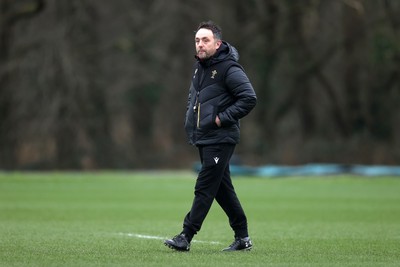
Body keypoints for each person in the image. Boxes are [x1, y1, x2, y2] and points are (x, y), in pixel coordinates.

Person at [164, 21, 257, 252]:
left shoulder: (229, 68)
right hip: (205, 137)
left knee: (204, 186)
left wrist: (221, 118)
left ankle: (186, 235)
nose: (200, 44)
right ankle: (243, 238)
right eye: (197, 40)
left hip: (221, 138)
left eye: (205, 40)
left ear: (217, 43)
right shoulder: (200, 67)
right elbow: (193, 99)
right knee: (222, 190)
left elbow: (249, 98)